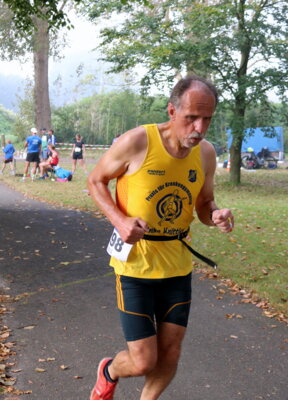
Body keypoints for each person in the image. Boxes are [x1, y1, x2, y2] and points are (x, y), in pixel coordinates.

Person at [87, 75, 234, 400]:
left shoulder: (206, 154)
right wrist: (120, 220)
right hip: (135, 268)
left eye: (207, 119)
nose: (199, 128)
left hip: (177, 269)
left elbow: (204, 205)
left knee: (170, 353)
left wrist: (216, 215)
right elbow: (95, 181)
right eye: (191, 118)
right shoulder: (138, 142)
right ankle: (109, 371)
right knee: (143, 360)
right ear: (171, 111)